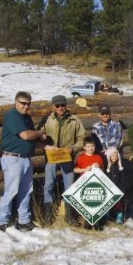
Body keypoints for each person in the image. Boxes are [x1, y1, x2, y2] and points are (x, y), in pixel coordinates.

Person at [0, 91, 46, 232]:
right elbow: (26, 135)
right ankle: (2, 221)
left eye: (28, 104)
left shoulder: (26, 118)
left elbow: (32, 140)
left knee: (26, 190)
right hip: (13, 159)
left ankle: (24, 220)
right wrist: (40, 133)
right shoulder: (12, 115)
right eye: (23, 103)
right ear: (16, 102)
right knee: (11, 190)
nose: (26, 106)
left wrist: (48, 147)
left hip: (25, 158)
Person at [40, 95, 85, 225]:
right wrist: (45, 142)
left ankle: (69, 216)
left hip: (67, 157)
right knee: (48, 184)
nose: (61, 108)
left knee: (69, 186)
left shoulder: (74, 120)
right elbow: (40, 133)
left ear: (66, 105)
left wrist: (74, 148)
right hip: (51, 157)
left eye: (63, 105)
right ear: (53, 106)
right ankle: (48, 215)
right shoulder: (47, 119)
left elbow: (81, 137)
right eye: (58, 106)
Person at [74, 136, 105, 230]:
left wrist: (98, 167)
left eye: (92, 146)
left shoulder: (98, 157)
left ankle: (96, 221)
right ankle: (87, 221)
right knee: (87, 202)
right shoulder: (81, 157)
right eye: (88, 146)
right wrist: (85, 169)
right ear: (84, 147)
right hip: (85, 183)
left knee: (96, 202)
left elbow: (103, 171)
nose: (91, 148)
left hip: (96, 183)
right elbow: (75, 170)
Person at [105, 146, 126, 224]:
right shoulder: (107, 168)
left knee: (118, 203)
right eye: (113, 155)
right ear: (109, 156)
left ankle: (119, 216)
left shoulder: (119, 167)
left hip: (117, 189)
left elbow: (122, 179)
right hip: (108, 189)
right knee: (107, 203)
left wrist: (122, 189)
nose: (115, 157)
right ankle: (107, 216)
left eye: (116, 155)